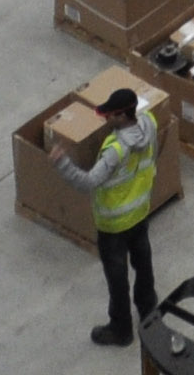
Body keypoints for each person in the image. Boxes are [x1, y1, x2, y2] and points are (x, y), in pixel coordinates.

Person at [64, 84, 163, 346]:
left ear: (123, 116)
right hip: (140, 213)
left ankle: (121, 330)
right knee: (144, 264)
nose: (107, 119)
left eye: (111, 115)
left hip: (114, 226)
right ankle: (149, 311)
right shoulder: (150, 123)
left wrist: (61, 163)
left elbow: (87, 182)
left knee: (117, 280)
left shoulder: (115, 150)